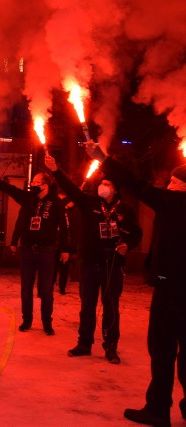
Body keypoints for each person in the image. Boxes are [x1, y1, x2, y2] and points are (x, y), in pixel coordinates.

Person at [84, 142, 186, 426]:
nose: (169, 185)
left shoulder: (175, 202)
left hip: (171, 290)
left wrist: (103, 159)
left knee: (163, 350)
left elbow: (135, 184)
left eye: (174, 181)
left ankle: (157, 409)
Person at [45, 155, 142, 364]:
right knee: (87, 305)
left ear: (115, 189)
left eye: (107, 184)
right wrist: (55, 170)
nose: (102, 186)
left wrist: (128, 246)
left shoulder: (126, 210)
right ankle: (84, 343)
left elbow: (136, 234)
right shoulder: (88, 203)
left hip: (113, 264)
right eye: (101, 183)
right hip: (89, 263)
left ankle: (111, 346)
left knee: (111, 306)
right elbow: (70, 189)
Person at [0, 167, 69, 335]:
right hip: (28, 249)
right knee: (26, 287)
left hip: (47, 250)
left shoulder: (55, 202)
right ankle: (27, 320)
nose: (32, 185)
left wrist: (65, 249)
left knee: (46, 289)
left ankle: (47, 322)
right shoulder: (28, 199)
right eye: (32, 182)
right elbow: (9, 189)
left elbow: (63, 227)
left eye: (36, 182)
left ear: (45, 185)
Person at [54, 190, 81, 295]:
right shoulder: (57, 210)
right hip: (55, 244)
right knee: (52, 268)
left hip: (67, 245)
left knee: (64, 268)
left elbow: (75, 229)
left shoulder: (74, 212)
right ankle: (50, 286)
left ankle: (62, 288)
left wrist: (71, 247)